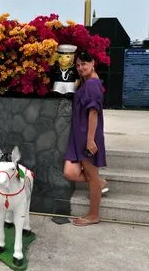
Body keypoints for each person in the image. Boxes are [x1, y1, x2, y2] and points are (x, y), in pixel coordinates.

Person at [63, 50, 108, 226]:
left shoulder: (92, 85)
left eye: (84, 64)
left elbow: (93, 113)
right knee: (70, 172)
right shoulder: (87, 83)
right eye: (78, 64)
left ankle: (93, 214)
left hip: (87, 136)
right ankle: (99, 181)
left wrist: (90, 140)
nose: (81, 67)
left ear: (93, 63)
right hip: (78, 136)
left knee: (92, 175)